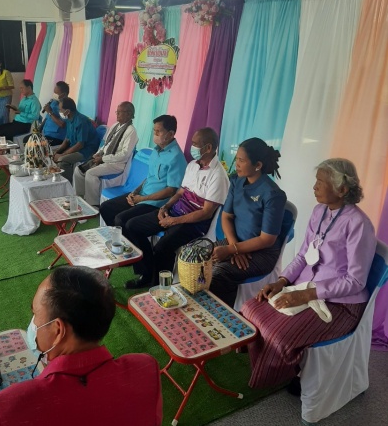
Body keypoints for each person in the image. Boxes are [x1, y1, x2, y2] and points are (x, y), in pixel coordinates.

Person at [0, 266, 162, 426]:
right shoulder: (145, 370)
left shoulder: (7, 408)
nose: (33, 323)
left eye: (35, 314)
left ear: (57, 330)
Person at [241, 158, 376, 391]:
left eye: (321, 182)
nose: (314, 187)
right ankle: (275, 366)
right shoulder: (319, 211)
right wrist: (282, 281)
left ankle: (285, 373)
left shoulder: (359, 224)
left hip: (340, 304)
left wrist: (306, 295)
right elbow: (304, 254)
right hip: (305, 288)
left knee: (278, 334)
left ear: (342, 189)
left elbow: (355, 281)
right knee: (250, 308)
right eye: (316, 180)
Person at [121, 128, 230, 289]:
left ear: (208, 148)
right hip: (174, 212)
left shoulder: (218, 175)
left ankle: (160, 288)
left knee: (162, 247)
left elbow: (206, 213)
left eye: (195, 144)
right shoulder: (192, 165)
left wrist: (174, 221)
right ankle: (147, 273)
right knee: (132, 226)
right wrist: (165, 207)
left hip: (194, 223)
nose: (191, 147)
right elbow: (180, 192)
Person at [100, 114, 187, 287]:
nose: (155, 135)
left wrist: (143, 198)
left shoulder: (176, 157)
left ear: (170, 134)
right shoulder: (157, 150)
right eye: (154, 131)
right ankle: (129, 250)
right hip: (143, 195)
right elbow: (150, 177)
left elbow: (171, 190)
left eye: (158, 132)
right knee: (106, 208)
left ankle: (144, 271)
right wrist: (135, 191)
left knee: (123, 221)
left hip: (156, 203)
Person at [209, 137, 287, 308]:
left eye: (241, 160)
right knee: (195, 255)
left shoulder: (273, 194)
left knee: (218, 275)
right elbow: (226, 216)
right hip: (235, 242)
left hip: (261, 253)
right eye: (236, 158)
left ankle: (222, 317)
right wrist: (234, 247)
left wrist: (232, 250)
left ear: (257, 165)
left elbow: (267, 239)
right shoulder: (236, 181)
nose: (236, 164)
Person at [73, 101, 139, 206]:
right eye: (117, 112)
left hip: (117, 164)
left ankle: (93, 204)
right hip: (104, 159)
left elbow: (124, 155)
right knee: (78, 170)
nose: (117, 114)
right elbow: (106, 144)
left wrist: (103, 159)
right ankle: (80, 198)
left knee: (91, 173)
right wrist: (99, 153)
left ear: (128, 114)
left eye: (120, 112)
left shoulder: (131, 131)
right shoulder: (115, 126)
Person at [53, 97, 99, 182]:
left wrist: (62, 155)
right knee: (51, 153)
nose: (59, 111)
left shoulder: (81, 121)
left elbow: (80, 144)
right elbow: (67, 139)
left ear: (68, 111)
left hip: (86, 150)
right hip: (75, 147)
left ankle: (69, 185)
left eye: (60, 110)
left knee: (62, 161)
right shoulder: (69, 119)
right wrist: (58, 151)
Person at [32, 81, 69, 146]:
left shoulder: (67, 106)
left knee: (34, 145)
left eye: (56, 93)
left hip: (56, 137)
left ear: (64, 94)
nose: (54, 95)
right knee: (28, 140)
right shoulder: (54, 102)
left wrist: (50, 112)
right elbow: (47, 118)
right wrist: (39, 129)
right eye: (54, 92)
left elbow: (62, 124)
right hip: (46, 134)